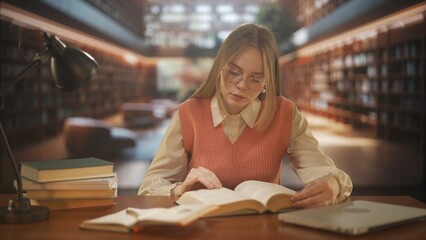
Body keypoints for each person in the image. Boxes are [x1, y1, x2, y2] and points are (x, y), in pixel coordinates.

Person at [138, 23, 352, 208]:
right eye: (234, 72)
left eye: (255, 79)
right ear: (220, 67)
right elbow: (149, 187)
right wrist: (178, 189)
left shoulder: (286, 114)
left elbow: (324, 171)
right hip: (202, 228)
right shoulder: (189, 113)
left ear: (267, 81)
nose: (241, 85)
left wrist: (333, 184)